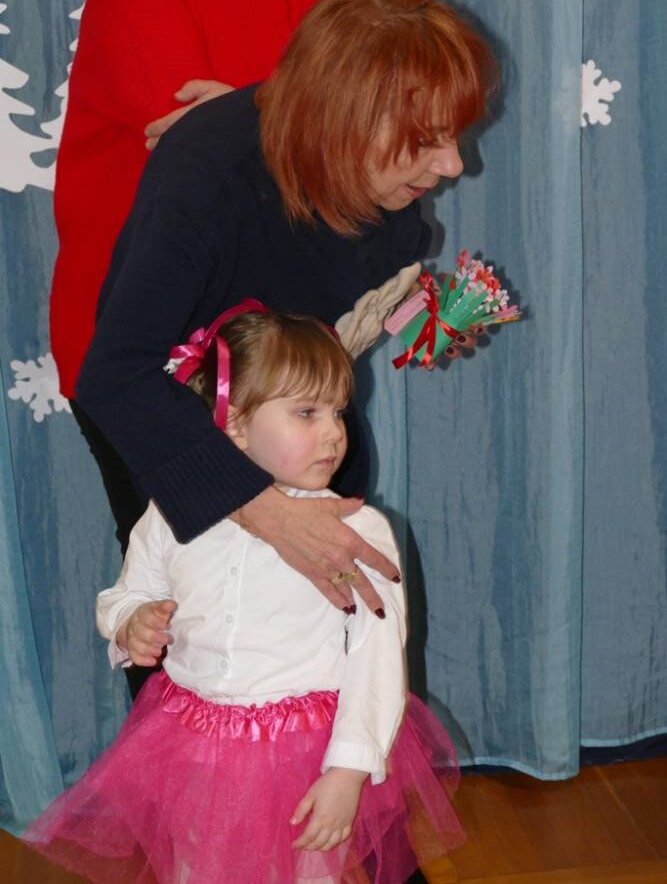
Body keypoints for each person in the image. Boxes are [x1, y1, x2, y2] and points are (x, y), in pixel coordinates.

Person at [76, 0, 496, 654]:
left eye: (454, 136)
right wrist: (266, 512)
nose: (452, 165)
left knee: (324, 651)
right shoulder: (207, 179)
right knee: (199, 650)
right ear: (342, 120)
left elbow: (364, 284)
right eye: (425, 141)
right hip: (171, 421)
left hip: (290, 420)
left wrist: (421, 320)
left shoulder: (367, 171)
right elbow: (117, 378)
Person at [25, 308, 465, 883]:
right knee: (196, 869)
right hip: (192, 749)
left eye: (338, 411)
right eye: (306, 412)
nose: (334, 432)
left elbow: (376, 657)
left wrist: (349, 769)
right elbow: (127, 592)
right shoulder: (173, 513)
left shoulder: (357, 532)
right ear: (233, 422)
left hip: (305, 758)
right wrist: (132, 621)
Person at [49, 0, 327, 544]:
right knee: (181, 572)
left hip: (267, 338)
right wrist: (292, 118)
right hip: (143, 344)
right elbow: (190, 143)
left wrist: (245, 113)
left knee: (277, 580)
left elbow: (360, 116)